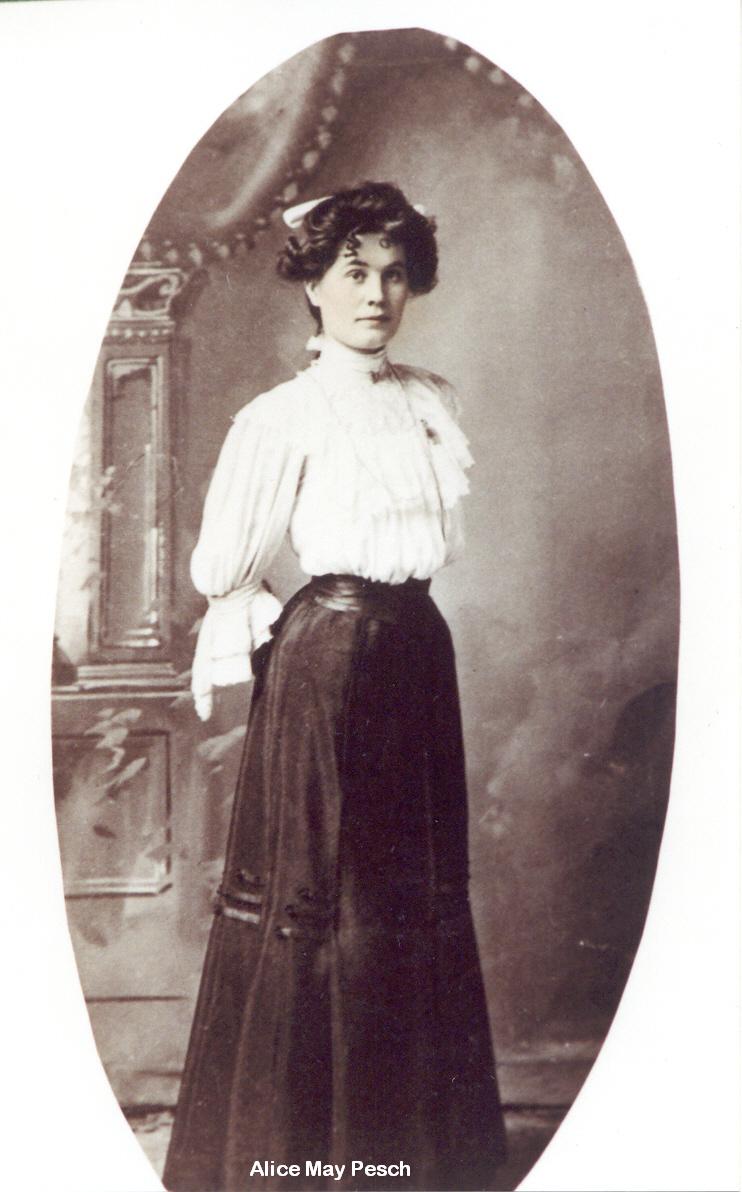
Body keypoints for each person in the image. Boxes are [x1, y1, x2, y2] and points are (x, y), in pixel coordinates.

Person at [162, 181, 507, 1192]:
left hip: (416, 653)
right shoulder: (284, 416)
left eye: (394, 274)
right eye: (353, 273)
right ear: (313, 284)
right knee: (330, 897)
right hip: (332, 665)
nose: (375, 294)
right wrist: (297, 629)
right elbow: (224, 566)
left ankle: (410, 1156)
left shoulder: (431, 400)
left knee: (410, 891)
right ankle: (304, 1156)